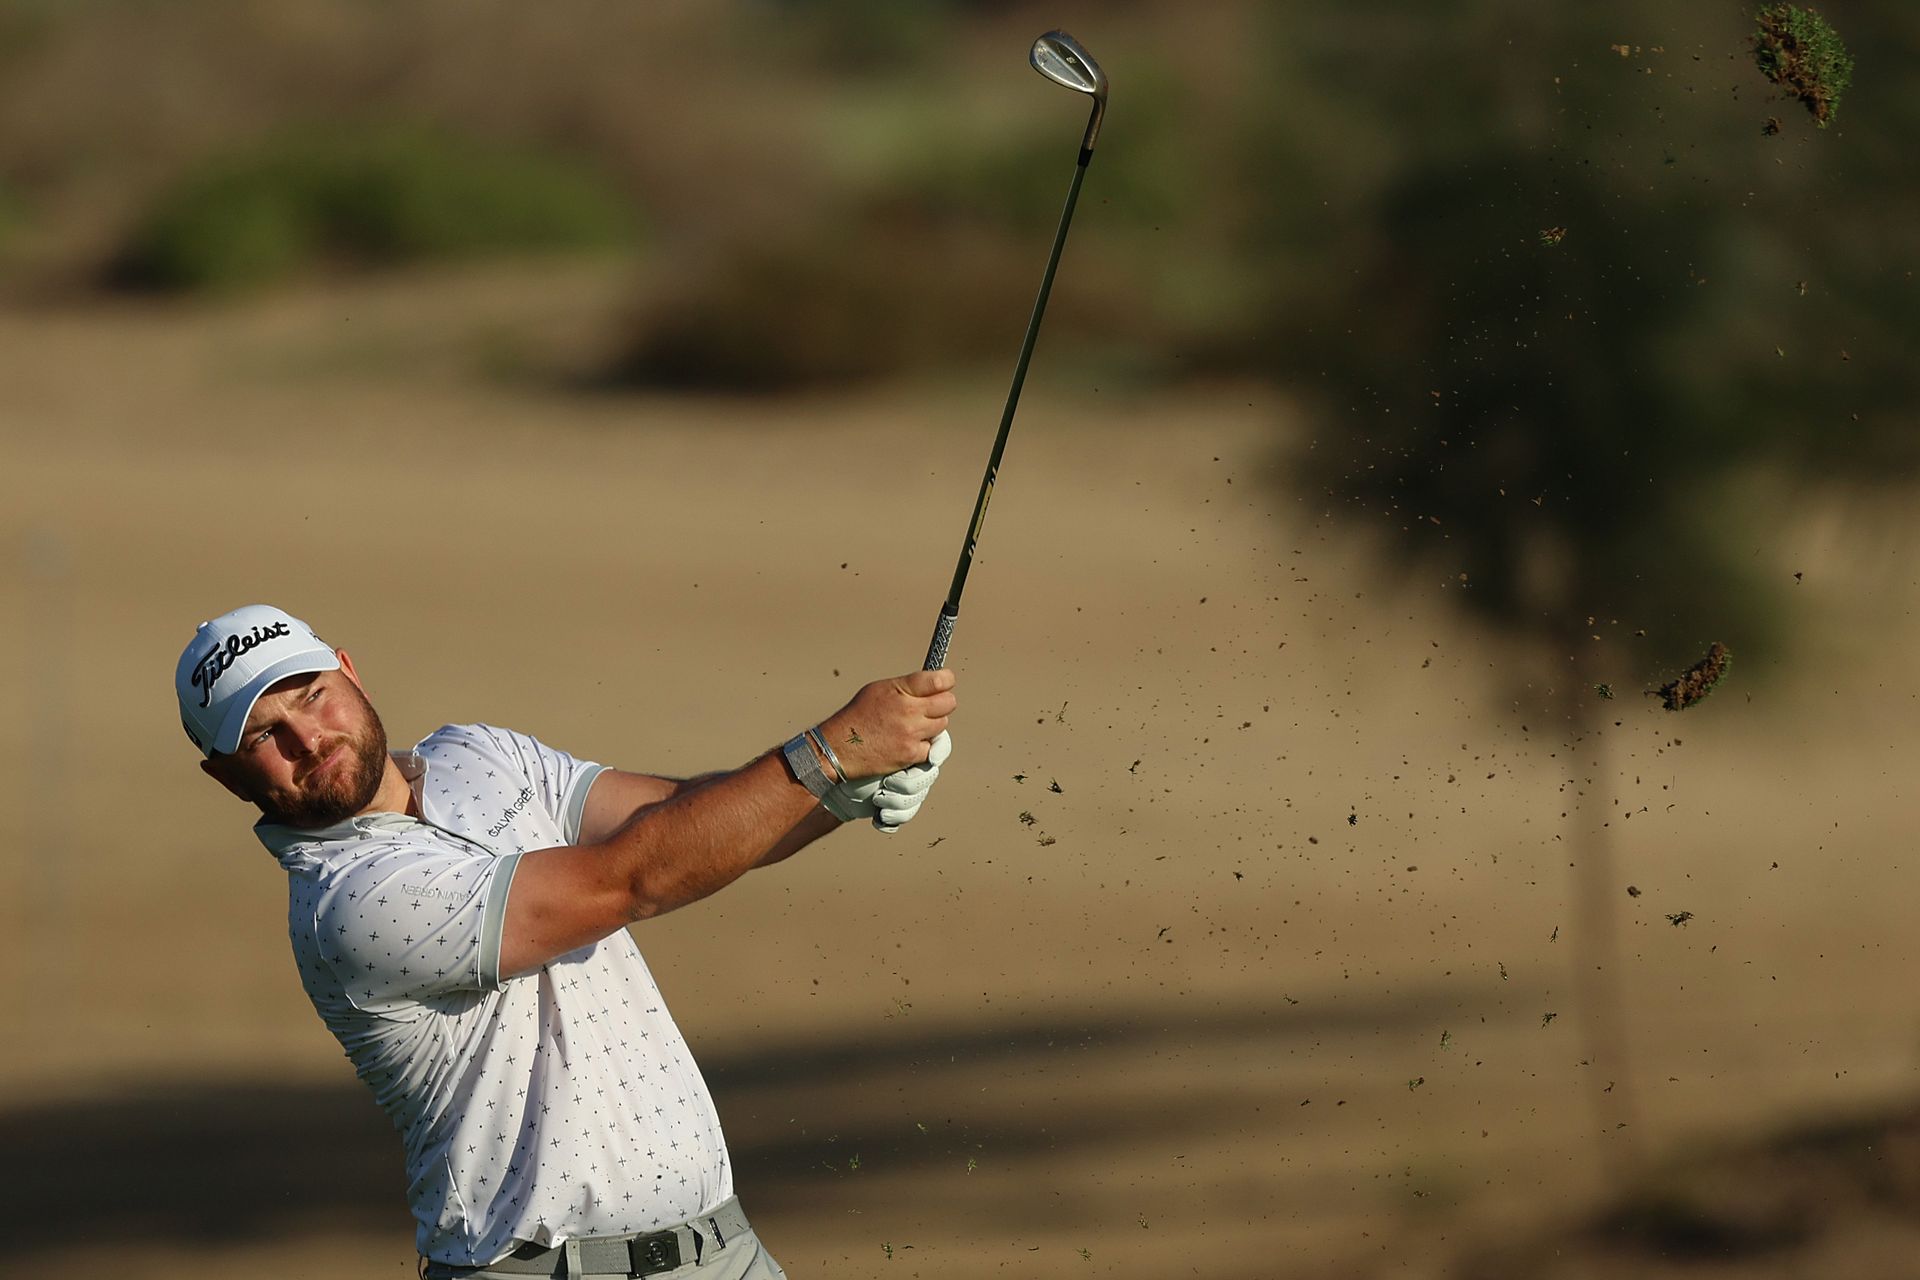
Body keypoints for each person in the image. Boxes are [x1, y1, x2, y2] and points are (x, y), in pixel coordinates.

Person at [177, 604, 956, 1279]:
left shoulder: (476, 755)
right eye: (265, 736)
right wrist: (830, 752)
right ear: (226, 777)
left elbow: (686, 814)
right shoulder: (351, 903)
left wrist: (842, 793)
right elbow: (632, 877)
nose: (311, 737)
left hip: (723, 1248)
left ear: (350, 672)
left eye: (314, 695)